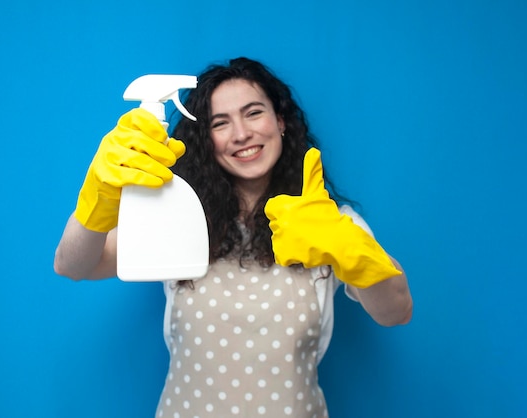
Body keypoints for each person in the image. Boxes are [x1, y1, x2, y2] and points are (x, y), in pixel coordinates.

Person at [54, 57, 413, 417]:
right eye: (220, 123)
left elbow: (396, 311)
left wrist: (350, 249)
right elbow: (73, 265)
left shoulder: (329, 221)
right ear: (205, 140)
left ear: (281, 121)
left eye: (254, 113)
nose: (241, 134)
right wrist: (95, 204)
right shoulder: (177, 218)